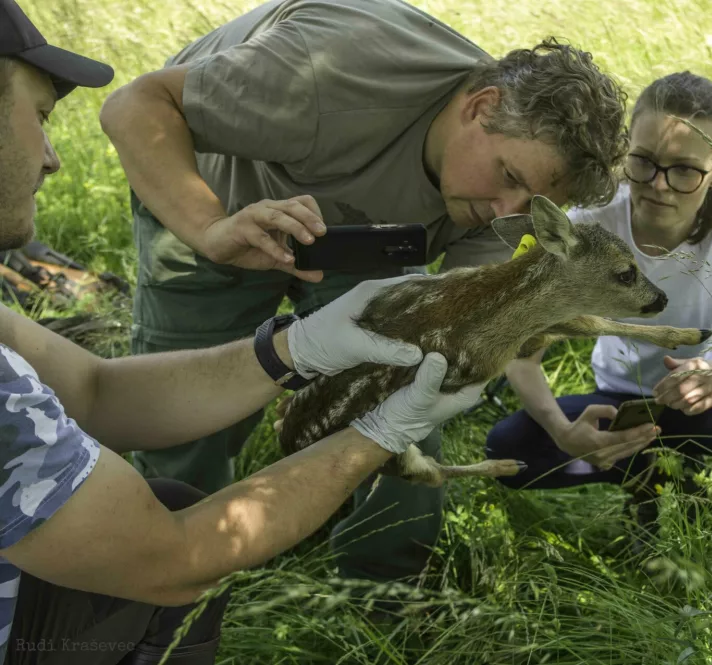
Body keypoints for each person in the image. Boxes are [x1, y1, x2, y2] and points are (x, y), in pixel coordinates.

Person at [0, 2, 487, 662]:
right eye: (41, 117)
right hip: (220, 206)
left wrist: (291, 347)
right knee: (166, 551)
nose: (54, 158)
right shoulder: (331, 71)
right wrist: (379, 434)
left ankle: (386, 606)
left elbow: (93, 390)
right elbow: (172, 558)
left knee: (164, 500)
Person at [98, 0, 629, 584]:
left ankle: (386, 588)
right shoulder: (332, 75)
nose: (506, 214)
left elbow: (458, 329)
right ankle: (165, 577)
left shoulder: (510, 204)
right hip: (217, 194)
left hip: (372, 238)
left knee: (409, 390)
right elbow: (138, 106)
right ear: (481, 107)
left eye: (531, 205)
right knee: (186, 411)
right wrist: (210, 230)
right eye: (508, 179)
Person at [485, 71, 712, 553]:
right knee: (510, 449)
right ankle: (649, 489)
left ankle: (704, 505)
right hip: (626, 400)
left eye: (685, 170)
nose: (659, 185)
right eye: (643, 162)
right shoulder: (589, 224)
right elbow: (519, 349)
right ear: (624, 153)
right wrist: (562, 430)